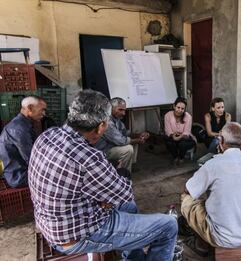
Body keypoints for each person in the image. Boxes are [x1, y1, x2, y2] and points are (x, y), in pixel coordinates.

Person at [28, 90, 177, 261]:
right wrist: (119, 174)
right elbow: (124, 193)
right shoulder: (89, 157)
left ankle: (134, 258)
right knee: (168, 225)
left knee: (130, 208)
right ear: (100, 127)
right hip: (77, 236)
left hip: (49, 224)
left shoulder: (47, 136)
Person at [181, 122, 241, 249]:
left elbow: (188, 190)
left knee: (187, 199)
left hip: (223, 237)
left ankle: (201, 244)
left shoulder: (213, 163)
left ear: (222, 140)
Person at [0, 96, 46, 188]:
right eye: (42, 110)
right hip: (19, 176)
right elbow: (31, 159)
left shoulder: (22, 124)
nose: (44, 113)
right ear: (30, 108)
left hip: (19, 172)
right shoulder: (19, 129)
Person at [95, 97, 149, 173]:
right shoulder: (107, 121)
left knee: (134, 142)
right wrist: (138, 140)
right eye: (120, 109)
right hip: (104, 150)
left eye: (124, 110)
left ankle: (129, 165)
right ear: (111, 108)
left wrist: (138, 135)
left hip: (112, 144)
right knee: (128, 149)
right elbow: (121, 141)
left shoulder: (116, 118)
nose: (123, 113)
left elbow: (124, 133)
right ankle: (123, 174)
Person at [164, 97, 196, 165]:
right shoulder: (168, 115)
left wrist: (179, 137)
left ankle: (181, 158)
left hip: (185, 138)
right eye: (178, 107)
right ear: (174, 106)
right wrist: (173, 136)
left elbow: (186, 133)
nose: (180, 110)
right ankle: (175, 157)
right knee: (168, 141)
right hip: (173, 136)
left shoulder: (188, 116)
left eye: (182, 109)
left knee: (182, 144)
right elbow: (168, 130)